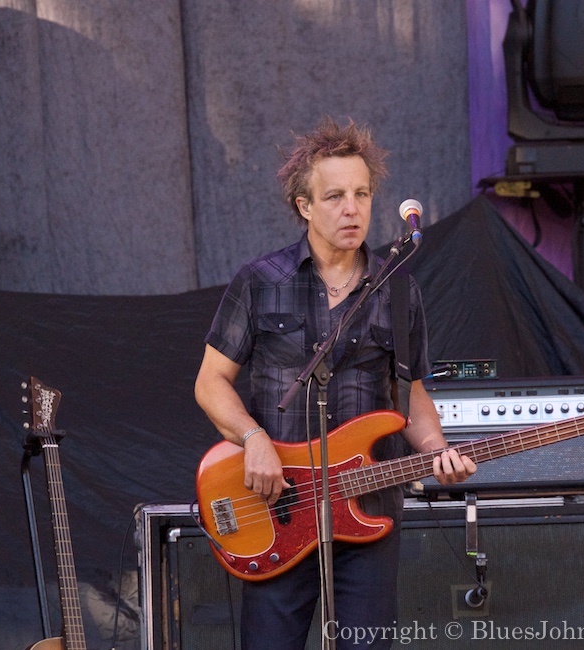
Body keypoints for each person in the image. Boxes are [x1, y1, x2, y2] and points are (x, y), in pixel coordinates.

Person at [194, 117, 476, 648]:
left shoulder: (398, 290)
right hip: (278, 507)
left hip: (369, 507)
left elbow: (410, 396)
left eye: (362, 193)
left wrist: (439, 451)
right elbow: (211, 383)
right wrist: (253, 440)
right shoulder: (261, 283)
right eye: (335, 196)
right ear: (304, 206)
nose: (353, 208)